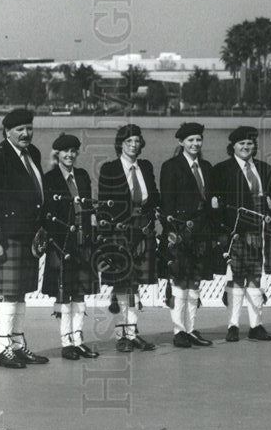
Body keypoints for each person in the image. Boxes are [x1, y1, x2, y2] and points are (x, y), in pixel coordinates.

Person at [0, 108, 50, 368]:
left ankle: (19, 346)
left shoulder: (34, 154)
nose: (26, 133)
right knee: (9, 294)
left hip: (29, 236)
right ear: (7, 131)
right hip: (8, 237)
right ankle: (3, 349)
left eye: (29, 128)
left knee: (21, 293)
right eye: (19, 129)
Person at [211, 125, 271, 343]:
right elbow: (214, 203)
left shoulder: (266, 169)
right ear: (232, 146)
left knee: (255, 277)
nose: (246, 147)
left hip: (260, 232)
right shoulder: (221, 170)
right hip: (235, 234)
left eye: (250, 143)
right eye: (241, 143)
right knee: (235, 278)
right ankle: (233, 326)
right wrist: (223, 233)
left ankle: (256, 326)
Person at [96, 124, 159, 353]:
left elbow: (154, 197)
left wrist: (152, 219)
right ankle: (122, 335)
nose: (133, 146)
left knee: (135, 285)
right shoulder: (110, 169)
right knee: (123, 284)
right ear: (120, 144)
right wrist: (107, 238)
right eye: (128, 142)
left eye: (136, 141)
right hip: (120, 231)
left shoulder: (146, 166)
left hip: (143, 229)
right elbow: (104, 205)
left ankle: (132, 333)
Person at [40, 133, 100, 360]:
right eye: (66, 151)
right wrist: (57, 240)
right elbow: (46, 213)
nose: (70, 155)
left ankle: (79, 340)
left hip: (83, 242)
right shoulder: (50, 178)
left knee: (80, 293)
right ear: (58, 154)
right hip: (61, 243)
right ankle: (67, 343)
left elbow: (89, 209)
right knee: (64, 293)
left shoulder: (83, 176)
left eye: (74, 151)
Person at [159, 123, 217, 349]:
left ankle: (191, 329)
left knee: (195, 282)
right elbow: (167, 202)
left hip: (202, 232)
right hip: (180, 232)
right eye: (191, 140)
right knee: (179, 282)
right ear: (181, 142)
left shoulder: (207, 166)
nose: (195, 144)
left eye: (198, 140)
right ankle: (178, 331)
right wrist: (173, 232)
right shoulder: (171, 167)